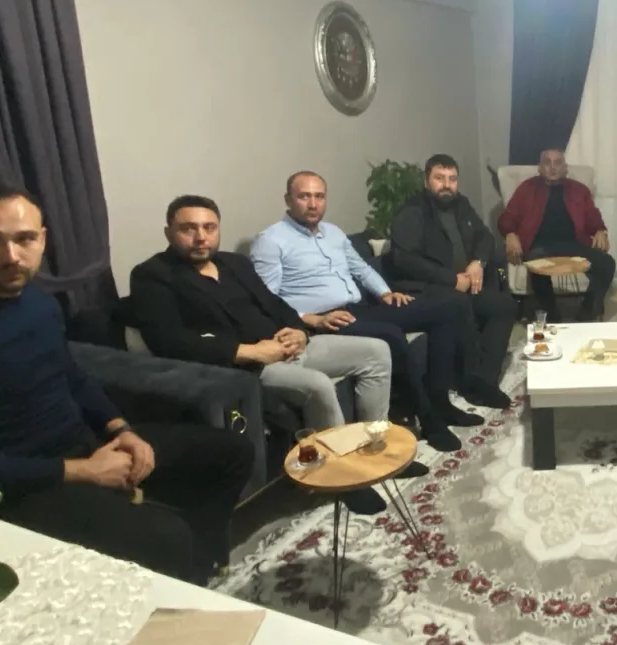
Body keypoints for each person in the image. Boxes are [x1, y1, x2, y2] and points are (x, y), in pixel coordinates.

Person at [0, 184, 253, 584]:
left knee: (232, 452)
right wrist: (83, 471)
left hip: (84, 445)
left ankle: (200, 567)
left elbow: (73, 377)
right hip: (19, 483)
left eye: (24, 239)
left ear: (42, 240)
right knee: (166, 537)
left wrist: (122, 430)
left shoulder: (38, 302)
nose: (11, 255)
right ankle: (178, 577)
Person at [130, 196, 417, 514]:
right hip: (246, 366)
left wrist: (299, 330)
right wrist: (248, 351)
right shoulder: (153, 276)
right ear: (169, 232)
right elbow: (168, 340)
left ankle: (374, 447)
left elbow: (275, 303)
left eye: (209, 227)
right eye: (189, 229)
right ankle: (343, 477)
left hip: (289, 345)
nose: (201, 237)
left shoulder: (234, 264)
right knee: (318, 385)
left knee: (377, 350)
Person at [251, 171, 480, 453]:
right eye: (304, 196)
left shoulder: (333, 233)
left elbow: (361, 268)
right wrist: (313, 319)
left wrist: (385, 293)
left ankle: (441, 402)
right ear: (288, 200)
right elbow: (266, 300)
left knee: (448, 307)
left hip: (358, 309)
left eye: (319, 196)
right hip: (323, 322)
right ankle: (428, 419)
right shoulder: (271, 241)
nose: (313, 204)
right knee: (391, 335)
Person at [389, 154, 515, 408]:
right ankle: (468, 380)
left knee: (505, 305)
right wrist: (451, 279)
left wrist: (478, 262)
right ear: (426, 181)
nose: (447, 185)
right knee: (460, 306)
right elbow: (405, 260)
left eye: (452, 179)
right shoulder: (412, 212)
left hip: (465, 283)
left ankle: (483, 379)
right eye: (440, 178)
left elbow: (485, 237)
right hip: (428, 289)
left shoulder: (461, 204)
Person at [499, 147, 615, 322]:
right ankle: (551, 315)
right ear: (540, 168)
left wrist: (600, 230)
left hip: (574, 244)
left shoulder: (579, 190)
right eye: (547, 163)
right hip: (539, 246)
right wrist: (510, 234)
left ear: (565, 168)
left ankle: (587, 312)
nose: (552, 168)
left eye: (558, 163)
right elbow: (507, 219)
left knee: (607, 263)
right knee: (537, 265)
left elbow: (593, 218)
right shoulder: (527, 189)